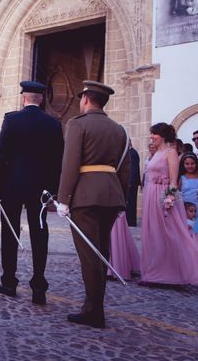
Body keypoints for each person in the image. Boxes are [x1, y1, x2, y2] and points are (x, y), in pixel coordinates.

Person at [56, 81, 130, 328]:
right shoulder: (119, 130)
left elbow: (70, 165)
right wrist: (122, 200)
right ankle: (94, 306)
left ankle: (93, 311)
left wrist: (63, 199)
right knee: (101, 252)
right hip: (111, 194)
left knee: (89, 256)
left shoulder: (78, 124)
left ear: (86, 98)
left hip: (85, 196)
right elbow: (125, 168)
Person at [0, 80, 64, 306]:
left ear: (24, 97)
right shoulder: (53, 124)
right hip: (40, 189)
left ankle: (9, 282)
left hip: (12, 186)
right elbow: (57, 160)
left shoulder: (11, 119)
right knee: (39, 234)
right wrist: (53, 190)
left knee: (10, 233)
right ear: (41, 99)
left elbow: (1, 154)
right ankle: (39, 286)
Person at [140, 123, 198, 286]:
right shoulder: (156, 153)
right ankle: (153, 271)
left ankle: (172, 273)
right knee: (153, 234)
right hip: (151, 195)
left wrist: (169, 199)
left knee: (169, 233)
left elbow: (173, 179)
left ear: (163, 135)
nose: (151, 137)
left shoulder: (170, 152)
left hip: (163, 196)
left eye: (154, 134)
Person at [125, 143, 141, 227]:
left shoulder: (133, 153)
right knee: (129, 203)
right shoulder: (129, 153)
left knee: (131, 203)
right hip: (130, 183)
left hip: (132, 183)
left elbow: (133, 169)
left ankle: (131, 222)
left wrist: (130, 182)